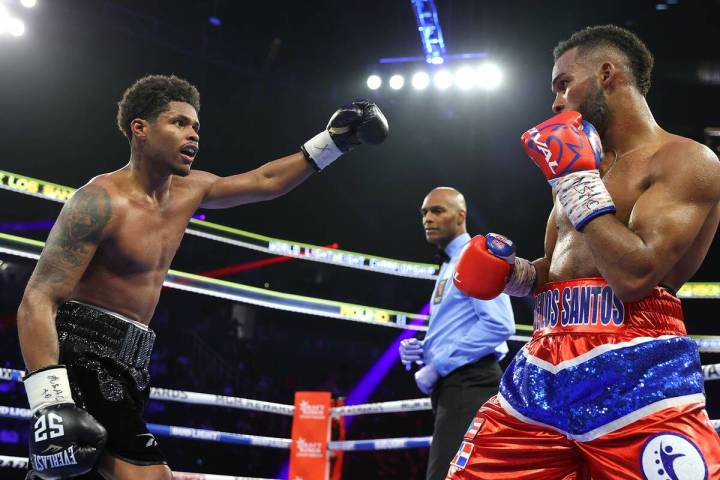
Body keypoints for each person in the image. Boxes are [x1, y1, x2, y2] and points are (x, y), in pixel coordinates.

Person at [16, 74, 388, 480]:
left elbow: (266, 181)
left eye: (196, 126)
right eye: (179, 123)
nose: (193, 134)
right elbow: (38, 299)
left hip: (133, 362)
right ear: (140, 129)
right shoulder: (100, 200)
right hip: (82, 354)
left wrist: (335, 140)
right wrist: (50, 404)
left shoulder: (191, 190)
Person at [447, 25, 720, 479]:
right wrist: (512, 273)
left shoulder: (685, 160)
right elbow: (556, 272)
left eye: (563, 83)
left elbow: (634, 278)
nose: (555, 102)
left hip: (636, 367)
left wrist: (575, 182)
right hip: (541, 365)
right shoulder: (580, 171)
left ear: (607, 75)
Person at [398, 187, 515, 480]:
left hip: (470, 384)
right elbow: (458, 326)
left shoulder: (476, 255)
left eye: (437, 210)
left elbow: (500, 324)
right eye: (424, 212)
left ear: (461, 215)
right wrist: (424, 350)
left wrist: (438, 365)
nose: (428, 218)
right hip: (457, 386)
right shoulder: (451, 263)